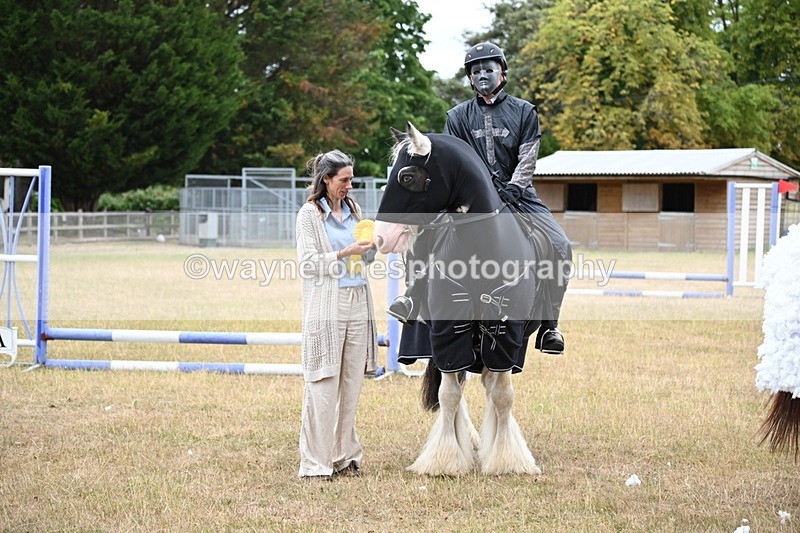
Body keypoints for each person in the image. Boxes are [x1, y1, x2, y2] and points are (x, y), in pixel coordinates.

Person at [443, 41, 572, 355]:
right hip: (472, 201)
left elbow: (528, 157)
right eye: (476, 71)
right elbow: (456, 159)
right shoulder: (457, 116)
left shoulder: (525, 111)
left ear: (502, 71)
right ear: (470, 78)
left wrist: (514, 188)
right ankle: (417, 304)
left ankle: (549, 326)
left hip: (520, 196)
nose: (483, 74)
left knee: (561, 246)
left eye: (489, 68)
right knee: (431, 238)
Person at [295, 149, 378, 481]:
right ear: (326, 179)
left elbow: (364, 262)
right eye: (344, 179)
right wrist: (344, 252)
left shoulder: (355, 210)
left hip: (359, 300)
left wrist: (369, 249)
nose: (350, 185)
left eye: (352, 179)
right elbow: (309, 264)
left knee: (351, 382)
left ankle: (345, 455)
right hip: (328, 305)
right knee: (323, 381)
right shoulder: (309, 215)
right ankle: (316, 463)